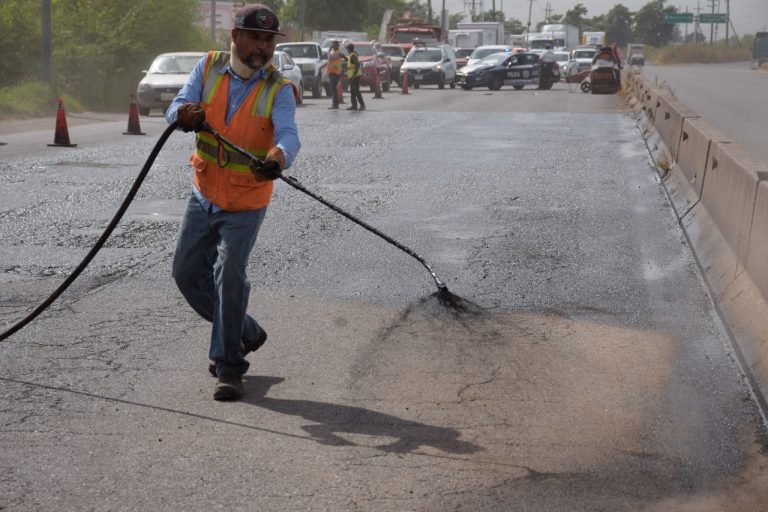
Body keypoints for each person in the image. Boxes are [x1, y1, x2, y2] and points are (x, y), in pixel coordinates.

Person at [165, 4, 301, 401]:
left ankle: (229, 367)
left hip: (245, 200)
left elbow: (289, 134)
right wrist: (184, 114)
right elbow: (177, 106)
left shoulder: (279, 88)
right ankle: (246, 332)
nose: (262, 47)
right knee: (187, 275)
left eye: (269, 41)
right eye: (255, 38)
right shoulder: (207, 67)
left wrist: (277, 157)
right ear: (235, 36)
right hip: (204, 193)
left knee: (229, 276)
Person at [345, 41, 366, 111]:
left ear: (349, 49)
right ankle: (354, 105)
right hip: (352, 76)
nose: (346, 50)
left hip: (355, 76)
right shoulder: (351, 55)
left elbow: (357, 64)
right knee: (353, 91)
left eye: (347, 49)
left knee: (356, 91)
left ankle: (362, 105)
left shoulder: (353, 55)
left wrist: (354, 74)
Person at [326, 40, 346, 109]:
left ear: (337, 46)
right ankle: (335, 104)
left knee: (333, 90)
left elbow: (329, 57)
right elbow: (345, 58)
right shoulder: (337, 52)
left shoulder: (337, 53)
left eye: (333, 45)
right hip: (333, 73)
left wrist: (329, 50)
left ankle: (335, 104)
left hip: (334, 73)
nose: (332, 47)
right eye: (332, 45)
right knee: (333, 89)